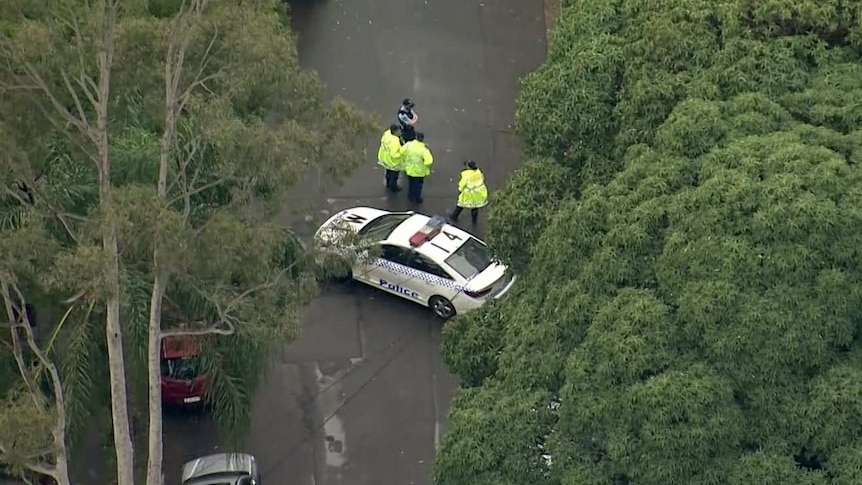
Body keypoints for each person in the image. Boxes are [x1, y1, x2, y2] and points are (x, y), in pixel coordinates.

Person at [450, 160, 488, 225]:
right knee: (475, 207)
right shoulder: (478, 172)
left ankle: (454, 216)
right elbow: (482, 179)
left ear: (469, 167)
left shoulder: (466, 175)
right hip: (478, 193)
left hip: (469, 194)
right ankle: (474, 221)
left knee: (460, 204)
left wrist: (460, 190)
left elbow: (462, 184)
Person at [401, 132, 433, 203]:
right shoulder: (424, 150)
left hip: (409, 169)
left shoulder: (408, 145)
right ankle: (417, 198)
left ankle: (410, 195)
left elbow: (401, 151)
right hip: (419, 172)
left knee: (411, 183)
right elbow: (428, 161)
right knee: (418, 186)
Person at [377, 124, 403, 191]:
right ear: (394, 131)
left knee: (388, 172)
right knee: (394, 176)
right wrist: (402, 154)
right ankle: (393, 187)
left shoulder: (387, 134)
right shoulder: (395, 141)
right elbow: (394, 155)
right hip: (393, 162)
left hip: (385, 158)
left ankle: (388, 183)